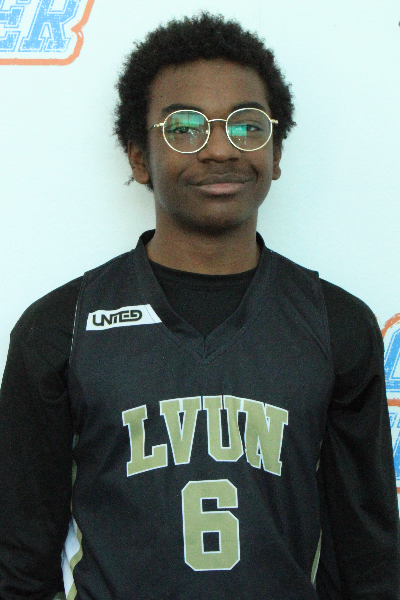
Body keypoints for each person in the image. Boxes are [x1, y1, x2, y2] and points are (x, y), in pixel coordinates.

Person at [0, 12, 398, 600]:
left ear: (276, 152)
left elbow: (369, 563)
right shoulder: (62, 327)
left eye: (247, 126)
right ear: (139, 157)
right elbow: (18, 561)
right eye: (184, 127)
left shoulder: (336, 323)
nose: (219, 149)